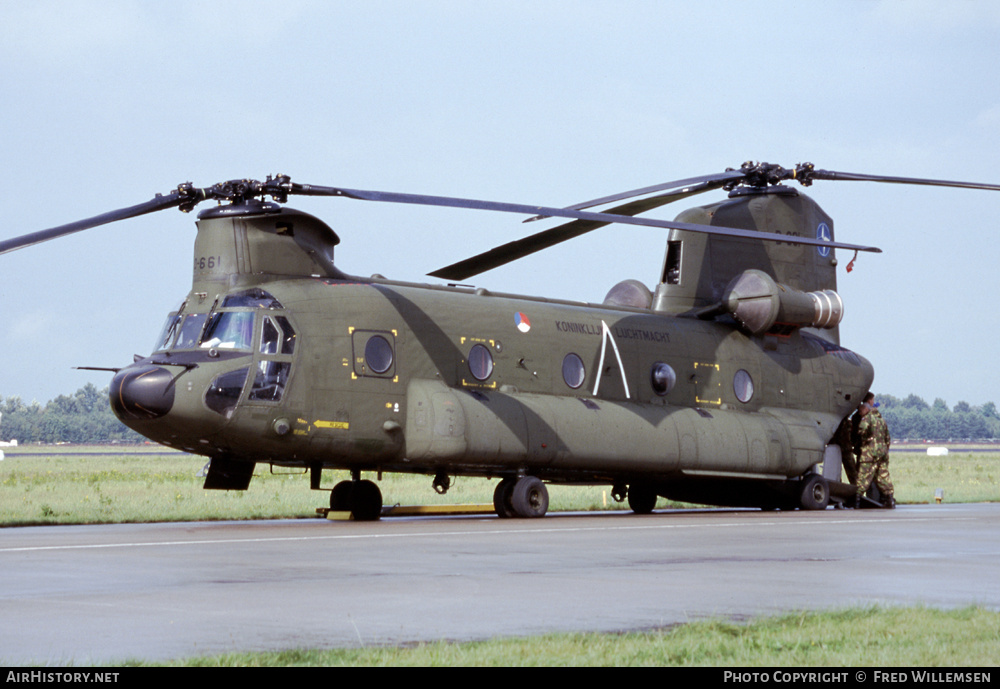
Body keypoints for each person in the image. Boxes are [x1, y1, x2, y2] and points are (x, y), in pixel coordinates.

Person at [854, 392, 895, 508]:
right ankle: (890, 499)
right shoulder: (882, 421)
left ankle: (857, 501)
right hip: (882, 453)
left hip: (869, 453)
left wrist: (864, 441)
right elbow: (888, 439)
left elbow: (862, 430)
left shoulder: (867, 419)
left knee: (863, 477)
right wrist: (884, 450)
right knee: (883, 476)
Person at [832, 413, 858, 486]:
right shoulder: (845, 423)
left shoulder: (842, 422)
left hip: (845, 449)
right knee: (835, 472)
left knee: (852, 472)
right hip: (840, 449)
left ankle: (857, 490)